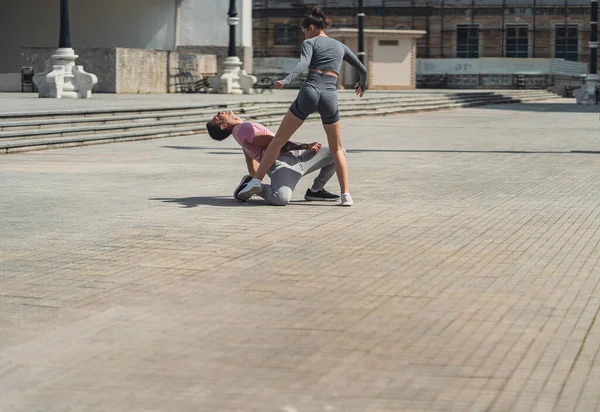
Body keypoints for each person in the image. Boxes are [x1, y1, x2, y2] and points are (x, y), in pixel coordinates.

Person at [236, 6, 367, 207]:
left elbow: (303, 64)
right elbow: (362, 68)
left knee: (278, 139)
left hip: (310, 91)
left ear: (312, 27)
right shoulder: (340, 46)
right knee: (337, 148)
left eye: (304, 30)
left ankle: (256, 181)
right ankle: (346, 195)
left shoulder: (310, 42)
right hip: (330, 95)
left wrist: (286, 80)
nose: (304, 34)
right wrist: (362, 84)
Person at [206, 111, 341, 206]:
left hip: (297, 156)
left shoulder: (240, 132)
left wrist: (255, 179)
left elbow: (249, 160)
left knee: (339, 153)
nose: (218, 113)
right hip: (282, 163)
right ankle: (248, 186)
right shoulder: (242, 129)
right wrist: (306, 146)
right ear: (223, 126)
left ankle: (316, 191)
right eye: (216, 118)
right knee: (281, 198)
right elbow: (275, 144)